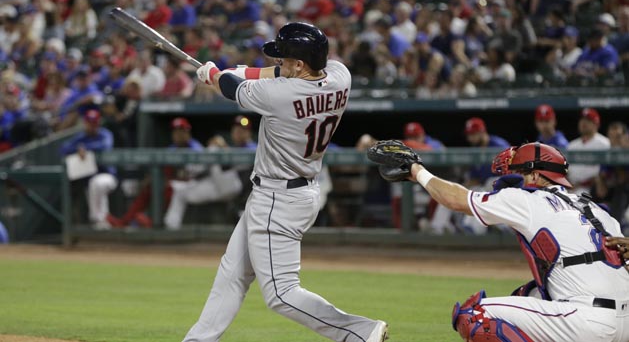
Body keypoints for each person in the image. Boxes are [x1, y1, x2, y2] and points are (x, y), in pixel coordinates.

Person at [189, 22, 388, 342]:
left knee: (281, 294)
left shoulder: (279, 95)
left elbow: (230, 89)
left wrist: (213, 73)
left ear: (299, 64)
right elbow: (277, 75)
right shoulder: (340, 76)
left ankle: (359, 332)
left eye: (283, 60)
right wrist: (243, 71)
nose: (277, 64)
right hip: (298, 190)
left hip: (277, 199)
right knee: (232, 274)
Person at [377, 140, 629, 341]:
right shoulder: (596, 209)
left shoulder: (528, 200)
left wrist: (415, 170)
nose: (513, 177)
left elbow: (456, 199)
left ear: (533, 176)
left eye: (517, 171)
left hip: (587, 323)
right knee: (527, 293)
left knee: (474, 315)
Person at [163, 115, 257, 230]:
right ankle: (171, 228)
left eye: (242, 130)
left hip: (235, 187)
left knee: (213, 150)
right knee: (181, 193)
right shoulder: (232, 147)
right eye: (236, 129)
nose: (238, 132)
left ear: (249, 133)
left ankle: (193, 169)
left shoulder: (253, 147)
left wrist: (222, 148)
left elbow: (236, 162)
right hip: (219, 186)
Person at [108, 117, 204, 228]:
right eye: (175, 131)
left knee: (169, 189)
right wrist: (151, 179)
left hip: (193, 184)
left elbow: (198, 173)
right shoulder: (172, 149)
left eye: (181, 131)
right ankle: (126, 221)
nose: (177, 134)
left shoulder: (196, 148)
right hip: (176, 183)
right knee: (150, 187)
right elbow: (164, 170)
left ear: (187, 132)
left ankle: (156, 223)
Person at [60, 110, 117, 230]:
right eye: (89, 122)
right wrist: (78, 149)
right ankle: (101, 221)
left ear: (98, 123)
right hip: (87, 178)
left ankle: (98, 219)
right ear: (85, 123)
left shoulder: (105, 134)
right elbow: (63, 148)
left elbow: (105, 146)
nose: (92, 125)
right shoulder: (81, 137)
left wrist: (85, 149)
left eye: (94, 123)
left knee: (96, 183)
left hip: (108, 176)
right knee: (92, 184)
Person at [567, 108, 611, 195]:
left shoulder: (604, 143)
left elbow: (606, 173)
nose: (584, 122)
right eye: (582, 119)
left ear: (596, 124)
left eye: (588, 120)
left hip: (593, 190)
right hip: (571, 189)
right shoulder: (572, 145)